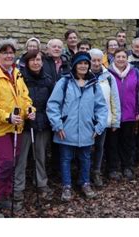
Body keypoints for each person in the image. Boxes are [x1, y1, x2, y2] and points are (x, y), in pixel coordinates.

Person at [0, 39, 35, 218]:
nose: (9, 55)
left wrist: (29, 110)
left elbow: (24, 97)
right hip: (0, 128)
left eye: (11, 52)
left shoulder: (16, 73)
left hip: (17, 126)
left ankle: (4, 195)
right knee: (6, 163)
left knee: (12, 162)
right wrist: (7, 116)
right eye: (5, 52)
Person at [47, 52, 108, 202]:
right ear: (74, 65)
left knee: (86, 158)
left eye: (86, 63)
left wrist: (98, 127)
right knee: (66, 158)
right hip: (66, 129)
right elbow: (53, 104)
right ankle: (66, 186)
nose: (83, 66)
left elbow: (101, 107)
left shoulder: (94, 85)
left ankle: (85, 183)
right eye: (80, 63)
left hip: (87, 128)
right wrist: (57, 125)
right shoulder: (64, 82)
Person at [15, 50, 55, 205]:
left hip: (42, 122)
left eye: (38, 60)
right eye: (32, 60)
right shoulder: (20, 78)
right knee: (21, 158)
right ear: (27, 62)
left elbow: (52, 102)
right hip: (25, 123)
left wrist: (44, 118)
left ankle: (41, 183)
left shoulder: (48, 79)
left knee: (40, 155)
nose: (36, 63)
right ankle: (18, 188)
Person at [107, 48, 139, 181]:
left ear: (127, 58)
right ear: (113, 58)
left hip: (130, 113)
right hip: (114, 114)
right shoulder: (108, 73)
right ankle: (113, 168)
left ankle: (127, 166)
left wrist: (138, 111)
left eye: (123, 56)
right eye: (118, 57)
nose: (121, 59)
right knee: (113, 142)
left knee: (128, 142)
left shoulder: (135, 72)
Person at [89, 48, 121, 186]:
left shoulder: (108, 76)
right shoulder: (83, 75)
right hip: (86, 120)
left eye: (98, 60)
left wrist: (115, 120)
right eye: (93, 60)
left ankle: (96, 172)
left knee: (99, 147)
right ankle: (84, 173)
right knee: (86, 149)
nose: (96, 63)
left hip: (103, 119)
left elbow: (115, 98)